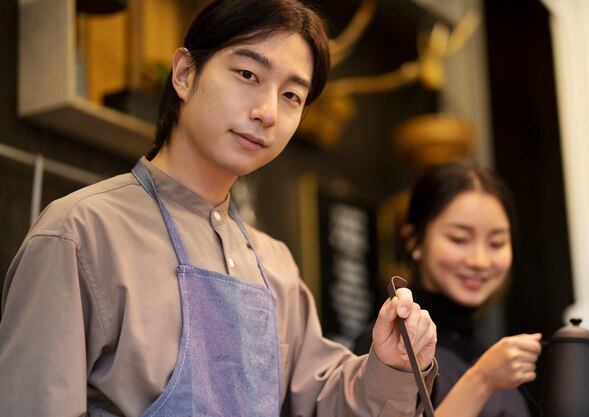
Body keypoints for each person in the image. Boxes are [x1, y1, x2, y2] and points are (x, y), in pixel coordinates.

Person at [0, 1, 438, 416]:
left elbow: (322, 402)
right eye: (248, 74)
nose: (267, 111)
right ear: (186, 74)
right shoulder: (80, 232)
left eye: (292, 96)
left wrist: (389, 366)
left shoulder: (275, 265)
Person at [353, 159, 542, 417]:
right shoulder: (387, 346)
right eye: (459, 239)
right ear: (413, 240)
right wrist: (481, 381)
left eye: (496, 243)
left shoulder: (493, 355)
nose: (480, 261)